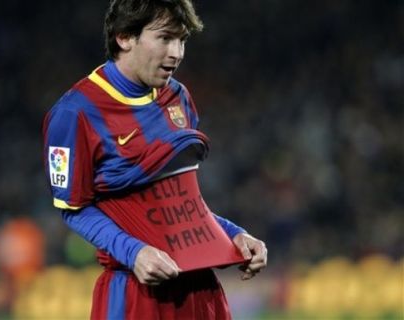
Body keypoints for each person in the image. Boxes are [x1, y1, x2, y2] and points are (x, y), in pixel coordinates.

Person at [42, 0, 267, 319]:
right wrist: (133, 252)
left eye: (182, 40)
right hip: (135, 289)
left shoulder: (179, 97)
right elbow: (73, 209)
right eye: (165, 38)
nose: (176, 53)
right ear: (124, 37)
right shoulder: (75, 113)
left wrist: (233, 235)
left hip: (200, 289)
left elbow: (182, 202)